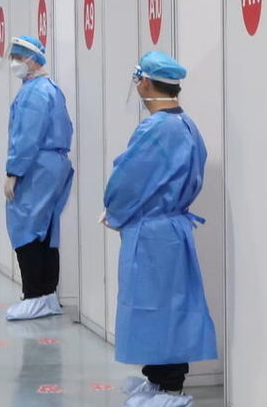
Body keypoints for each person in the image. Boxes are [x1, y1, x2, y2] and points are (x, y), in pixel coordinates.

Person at [103, 51, 216, 406]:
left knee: (162, 308)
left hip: (154, 231)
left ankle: (170, 387)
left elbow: (129, 178)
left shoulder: (156, 128)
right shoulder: (186, 124)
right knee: (163, 305)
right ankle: (157, 379)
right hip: (166, 228)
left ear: (145, 82)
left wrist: (114, 211)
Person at [2, 35, 74, 321]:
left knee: (25, 227)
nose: (14, 63)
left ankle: (34, 295)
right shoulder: (50, 88)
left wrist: (14, 172)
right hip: (52, 164)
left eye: (18, 58)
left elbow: (27, 136)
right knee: (45, 229)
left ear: (32, 60)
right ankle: (46, 295)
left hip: (36, 166)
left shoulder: (34, 93)